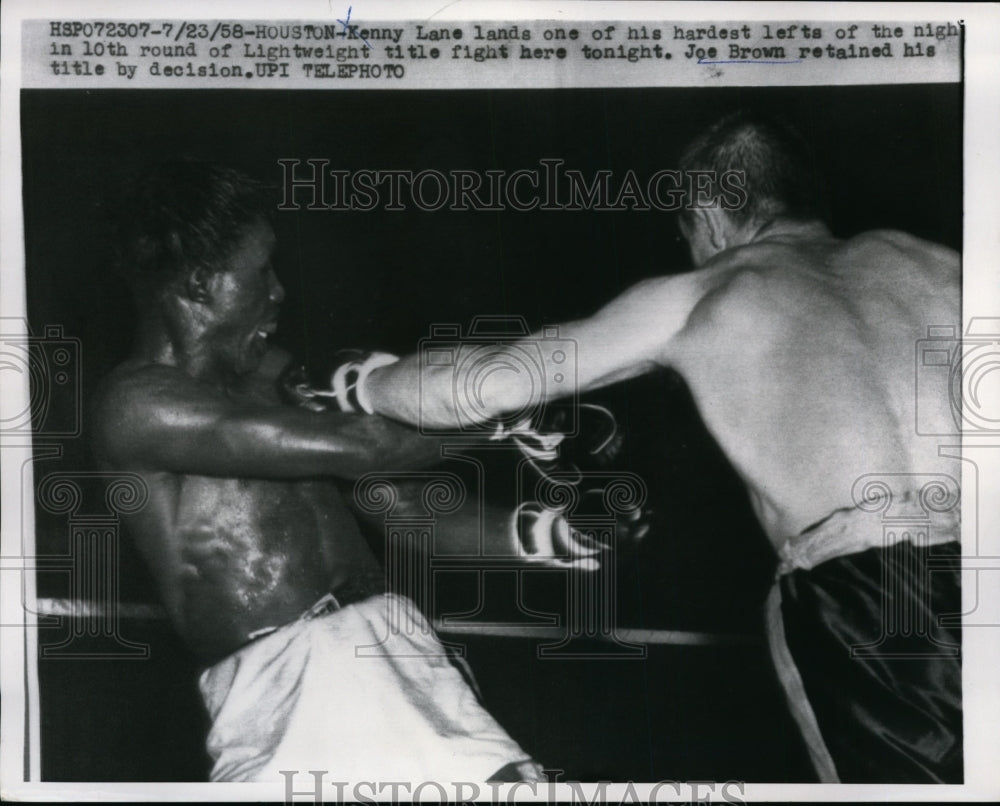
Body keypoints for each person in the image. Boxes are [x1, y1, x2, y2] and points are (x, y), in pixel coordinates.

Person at [356, 112, 963, 783]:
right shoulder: (940, 266)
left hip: (869, 598)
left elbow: (479, 386)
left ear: (707, 213)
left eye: (683, 227)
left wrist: (363, 381)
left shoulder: (703, 295)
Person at [91, 160, 547, 784]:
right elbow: (364, 446)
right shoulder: (137, 405)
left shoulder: (274, 375)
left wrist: (545, 536)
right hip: (292, 684)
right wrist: (506, 412)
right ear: (200, 283)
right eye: (260, 271)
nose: (278, 292)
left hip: (394, 646)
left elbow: (400, 505)